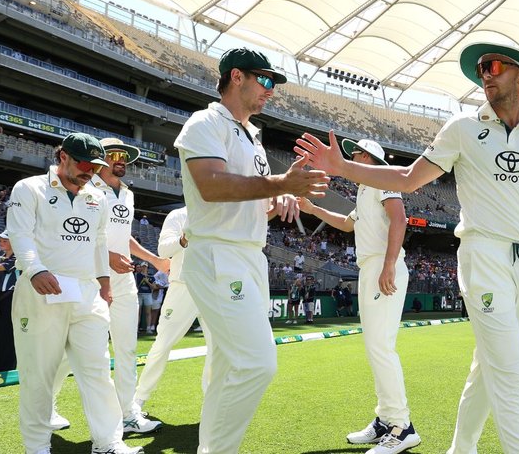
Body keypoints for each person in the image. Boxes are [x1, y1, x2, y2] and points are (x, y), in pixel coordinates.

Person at [295, 42, 519, 454]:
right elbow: (407, 178)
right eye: (481, 70)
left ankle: (461, 449)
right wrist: (343, 167)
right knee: (511, 368)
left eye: (493, 66)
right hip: (481, 255)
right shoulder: (462, 128)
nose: (486, 75)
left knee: (488, 366)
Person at [173, 47, 328, 453]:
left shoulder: (252, 137)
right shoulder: (205, 122)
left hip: (248, 255)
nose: (272, 90)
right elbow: (212, 185)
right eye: (266, 80)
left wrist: (277, 201)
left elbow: (249, 196)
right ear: (236, 76)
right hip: (219, 254)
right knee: (257, 363)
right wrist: (278, 185)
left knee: (227, 365)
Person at [7, 132, 142, 454]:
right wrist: (35, 269)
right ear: (62, 157)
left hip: (86, 293)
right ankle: (37, 447)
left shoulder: (96, 197)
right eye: (84, 164)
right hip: (41, 292)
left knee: (97, 371)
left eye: (95, 168)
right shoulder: (29, 188)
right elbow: (20, 235)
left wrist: (104, 285)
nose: (89, 173)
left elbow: (98, 244)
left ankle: (108, 443)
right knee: (39, 374)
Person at [298, 137, 417, 454]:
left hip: (381, 265)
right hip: (371, 267)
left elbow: (400, 218)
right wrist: (313, 209)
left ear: (372, 159)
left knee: (381, 347)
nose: (352, 156)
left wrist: (389, 264)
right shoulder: (366, 189)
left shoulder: (383, 179)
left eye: (358, 153)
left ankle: (403, 427)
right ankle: (385, 420)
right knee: (376, 346)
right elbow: (348, 225)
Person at [53, 137, 168, 435]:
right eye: (114, 155)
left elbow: (123, 237)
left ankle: (128, 414)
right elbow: (75, 233)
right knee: (72, 350)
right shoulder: (86, 188)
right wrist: (108, 256)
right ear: (101, 161)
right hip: (89, 275)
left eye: (125, 157)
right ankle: (46, 406)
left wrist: (154, 259)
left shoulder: (126, 193)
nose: (121, 160)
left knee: (127, 348)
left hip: (122, 278)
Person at [133, 207, 212, 414]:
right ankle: (138, 401)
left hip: (215, 290)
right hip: (183, 286)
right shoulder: (179, 215)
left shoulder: (222, 213)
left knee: (218, 349)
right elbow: (163, 251)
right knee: (162, 345)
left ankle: (212, 405)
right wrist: (184, 239)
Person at [0, 231, 18, 372]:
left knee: (8, 332)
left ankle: (8, 366)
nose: (1, 242)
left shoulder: (18, 257)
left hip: (11, 297)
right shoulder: (0, 257)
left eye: (5, 240)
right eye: (0, 240)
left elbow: (4, 267)